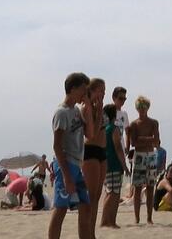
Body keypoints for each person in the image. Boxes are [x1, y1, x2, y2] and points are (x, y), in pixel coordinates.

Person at [49, 73, 94, 239]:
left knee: (86, 206)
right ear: (73, 88)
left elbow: (89, 134)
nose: (85, 93)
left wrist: (88, 108)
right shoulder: (61, 113)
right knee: (60, 209)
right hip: (65, 165)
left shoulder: (76, 110)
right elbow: (57, 146)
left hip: (77, 165)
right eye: (83, 89)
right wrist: (67, 176)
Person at [125, 96, 160, 225]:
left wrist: (143, 138)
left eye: (143, 108)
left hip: (150, 155)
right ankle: (137, 217)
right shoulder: (134, 124)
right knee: (138, 188)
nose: (141, 110)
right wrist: (148, 138)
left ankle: (149, 217)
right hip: (139, 156)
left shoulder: (153, 123)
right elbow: (134, 142)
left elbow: (156, 141)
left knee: (151, 187)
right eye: (139, 108)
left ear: (147, 108)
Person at [80, 80, 107, 234]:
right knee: (91, 196)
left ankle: (92, 232)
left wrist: (100, 110)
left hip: (102, 151)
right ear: (93, 90)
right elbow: (92, 134)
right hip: (90, 151)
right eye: (101, 90)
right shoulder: (86, 108)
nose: (103, 93)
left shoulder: (98, 109)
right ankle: (88, 232)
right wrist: (98, 111)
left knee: (96, 196)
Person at [100, 102, 126, 228]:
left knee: (111, 192)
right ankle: (106, 220)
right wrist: (124, 165)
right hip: (114, 164)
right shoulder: (113, 128)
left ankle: (109, 220)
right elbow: (118, 148)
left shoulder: (104, 129)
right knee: (113, 193)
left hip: (106, 163)